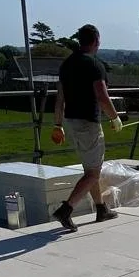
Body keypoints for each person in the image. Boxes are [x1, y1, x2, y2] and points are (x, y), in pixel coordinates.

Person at [51, 24, 123, 232]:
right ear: (96, 41)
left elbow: (60, 98)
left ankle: (101, 208)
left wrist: (57, 125)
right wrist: (115, 118)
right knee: (92, 173)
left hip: (70, 122)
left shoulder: (66, 64)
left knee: (91, 169)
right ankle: (66, 209)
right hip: (88, 124)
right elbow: (102, 96)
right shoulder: (94, 65)